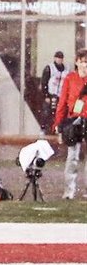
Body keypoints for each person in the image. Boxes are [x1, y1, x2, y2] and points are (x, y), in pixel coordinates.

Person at [54, 48, 87, 199]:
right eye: (82, 62)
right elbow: (62, 103)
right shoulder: (69, 79)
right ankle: (69, 191)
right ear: (77, 62)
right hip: (74, 121)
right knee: (72, 156)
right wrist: (58, 125)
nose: (85, 65)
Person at [40, 50, 67, 135]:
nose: (59, 60)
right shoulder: (49, 68)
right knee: (47, 112)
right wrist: (46, 95)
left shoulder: (66, 69)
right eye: (58, 58)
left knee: (59, 113)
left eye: (61, 58)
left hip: (61, 95)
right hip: (51, 94)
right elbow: (44, 82)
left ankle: (58, 129)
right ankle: (43, 129)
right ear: (55, 58)